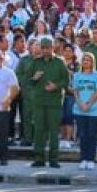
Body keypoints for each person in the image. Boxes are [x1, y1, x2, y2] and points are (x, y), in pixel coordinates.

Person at [27, 38, 69, 169]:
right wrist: (34, 78)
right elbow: (26, 79)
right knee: (39, 131)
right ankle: (39, 158)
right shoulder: (35, 62)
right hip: (39, 101)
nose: (45, 50)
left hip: (54, 102)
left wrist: (56, 86)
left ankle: (53, 159)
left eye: (48, 48)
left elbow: (66, 80)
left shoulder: (59, 62)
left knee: (53, 131)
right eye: (43, 48)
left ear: (52, 48)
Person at [70, 53, 97, 170]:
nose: (85, 62)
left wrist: (89, 104)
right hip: (79, 110)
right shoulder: (77, 75)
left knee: (91, 135)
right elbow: (75, 91)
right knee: (83, 135)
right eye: (84, 60)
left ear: (92, 62)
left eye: (88, 60)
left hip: (94, 110)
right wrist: (80, 104)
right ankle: (83, 158)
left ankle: (91, 159)